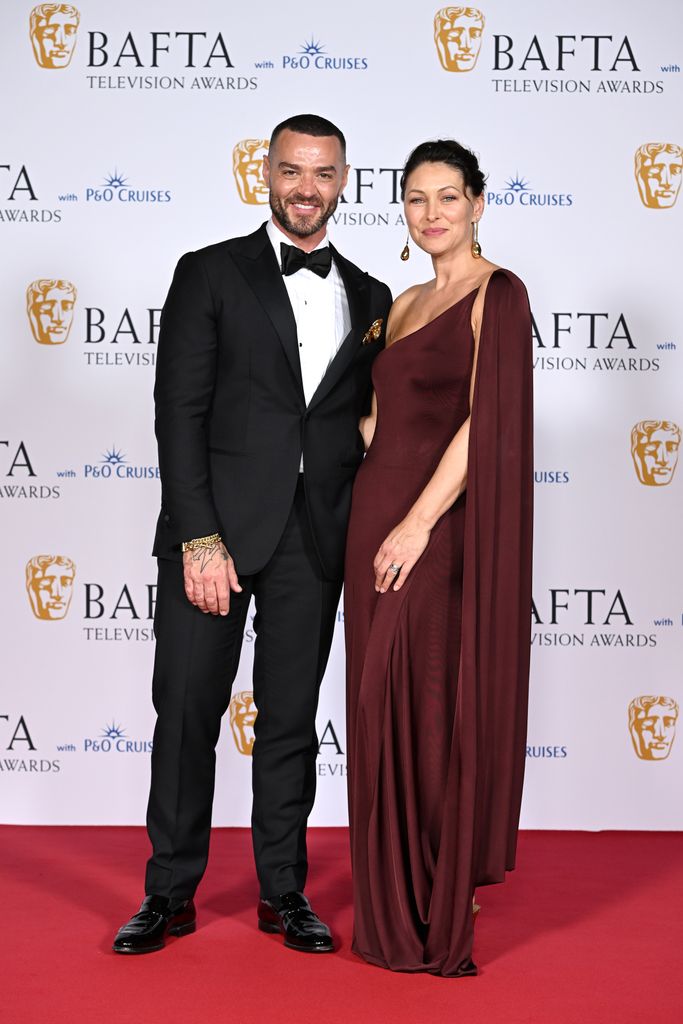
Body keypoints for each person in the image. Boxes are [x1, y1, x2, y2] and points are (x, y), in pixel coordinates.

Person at [112, 113, 392, 956]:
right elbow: (178, 411)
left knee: (291, 724)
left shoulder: (374, 297)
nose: (305, 188)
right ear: (263, 175)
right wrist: (198, 537)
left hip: (315, 540)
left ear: (345, 181)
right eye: (291, 171)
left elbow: (370, 423)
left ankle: (284, 892)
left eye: (323, 173)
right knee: (187, 713)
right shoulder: (209, 273)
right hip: (216, 538)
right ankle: (169, 893)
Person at [344, 139, 533, 977]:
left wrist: (417, 524)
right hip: (370, 516)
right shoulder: (405, 298)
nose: (431, 213)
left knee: (424, 703)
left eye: (447, 197)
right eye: (416, 199)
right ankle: (392, 885)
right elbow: (379, 425)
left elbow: (481, 424)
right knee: (375, 705)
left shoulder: (500, 292)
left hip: (432, 524)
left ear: (478, 203)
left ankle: (435, 891)